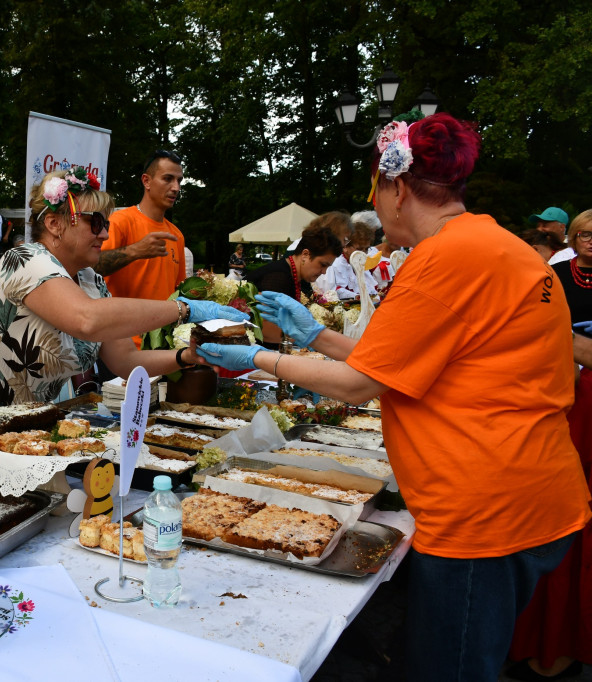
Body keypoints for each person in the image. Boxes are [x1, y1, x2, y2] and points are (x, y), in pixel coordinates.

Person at [196, 113, 592, 682]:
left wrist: (257, 358)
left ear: (397, 187)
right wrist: (317, 336)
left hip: (485, 509)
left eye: (373, 193)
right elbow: (399, 363)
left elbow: (363, 385)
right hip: (524, 491)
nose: (375, 210)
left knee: (447, 668)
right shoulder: (495, 246)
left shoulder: (444, 259)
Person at [0, 166, 246, 445]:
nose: (105, 234)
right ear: (54, 224)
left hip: (24, 425)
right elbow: (86, 319)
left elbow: (125, 361)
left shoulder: (91, 281)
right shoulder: (24, 260)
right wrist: (183, 310)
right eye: (96, 222)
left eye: (107, 224)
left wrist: (184, 356)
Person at [506, 209, 592, 681]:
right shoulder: (552, 276)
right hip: (557, 404)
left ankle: (568, 644)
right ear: (572, 238)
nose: (591, 241)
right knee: (544, 525)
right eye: (584, 234)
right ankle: (532, 641)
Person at [94, 150, 186, 344]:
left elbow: (179, 291)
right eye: (168, 179)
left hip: (162, 345)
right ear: (146, 181)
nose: (175, 187)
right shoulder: (120, 222)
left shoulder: (176, 235)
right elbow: (92, 267)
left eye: (179, 180)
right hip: (120, 345)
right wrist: (135, 251)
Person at [247, 220, 342, 349]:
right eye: (323, 265)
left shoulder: (292, 274)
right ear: (305, 254)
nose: (324, 272)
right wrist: (311, 340)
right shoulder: (278, 277)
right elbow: (267, 331)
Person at [327, 221, 379, 300]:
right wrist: (356, 296)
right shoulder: (335, 264)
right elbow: (334, 291)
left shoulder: (361, 264)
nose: (364, 253)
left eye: (366, 249)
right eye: (359, 249)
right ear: (345, 247)